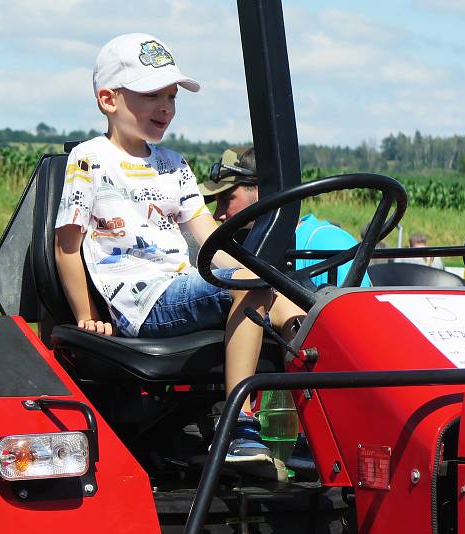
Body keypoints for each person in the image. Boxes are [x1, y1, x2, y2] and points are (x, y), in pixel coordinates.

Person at [54, 33, 303, 466]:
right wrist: (85, 316)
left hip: (182, 285)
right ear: (108, 100)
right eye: (152, 95)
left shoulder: (174, 164)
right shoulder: (89, 159)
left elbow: (210, 240)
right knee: (252, 287)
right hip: (143, 302)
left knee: (300, 302)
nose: (166, 107)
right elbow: (67, 246)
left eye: (171, 96)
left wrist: (266, 278)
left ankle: (324, 403)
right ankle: (237, 427)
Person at [199, 146, 371, 287]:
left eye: (227, 200)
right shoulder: (235, 250)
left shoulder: (328, 243)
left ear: (263, 191)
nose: (217, 214)